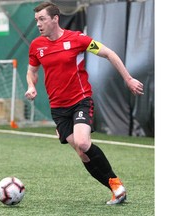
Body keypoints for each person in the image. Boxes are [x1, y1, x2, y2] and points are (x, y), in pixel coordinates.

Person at [25, 2, 144, 205]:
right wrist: (31, 86)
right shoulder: (37, 45)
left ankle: (117, 186)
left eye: (42, 19)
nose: (39, 24)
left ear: (55, 19)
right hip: (58, 109)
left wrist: (128, 79)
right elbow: (32, 71)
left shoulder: (78, 39)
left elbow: (109, 54)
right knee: (83, 154)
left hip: (80, 101)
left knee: (82, 142)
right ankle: (116, 190)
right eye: (36, 20)